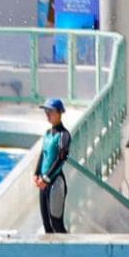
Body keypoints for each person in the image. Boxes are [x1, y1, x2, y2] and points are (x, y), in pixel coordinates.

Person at [33, 99, 71, 236]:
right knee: (47, 225)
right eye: (46, 111)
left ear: (60, 113)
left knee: (56, 223)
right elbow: (43, 155)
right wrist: (37, 174)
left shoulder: (64, 135)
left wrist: (47, 178)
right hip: (44, 183)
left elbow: (61, 157)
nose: (47, 114)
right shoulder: (48, 134)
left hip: (55, 183)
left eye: (51, 111)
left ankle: (67, 252)